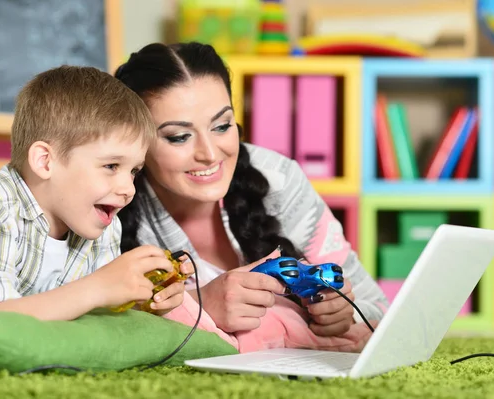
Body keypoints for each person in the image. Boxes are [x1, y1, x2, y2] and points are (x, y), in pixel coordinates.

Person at [114, 42, 389, 338]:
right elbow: (88, 326)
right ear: (137, 141)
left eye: (221, 126)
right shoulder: (109, 203)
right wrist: (199, 306)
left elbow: (379, 308)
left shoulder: (278, 180)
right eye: (179, 137)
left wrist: (344, 314)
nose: (209, 153)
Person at [0, 65, 191, 320]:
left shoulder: (103, 225)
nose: (129, 190)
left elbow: (97, 318)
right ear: (45, 162)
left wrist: (144, 300)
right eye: (111, 166)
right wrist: (97, 288)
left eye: (134, 171)